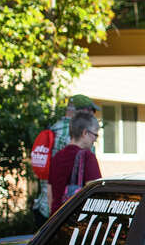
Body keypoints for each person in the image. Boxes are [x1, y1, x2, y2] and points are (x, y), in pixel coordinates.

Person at [33, 94, 98, 225]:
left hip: (49, 209)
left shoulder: (53, 129)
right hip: (72, 216)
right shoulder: (84, 149)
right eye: (91, 112)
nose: (92, 116)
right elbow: (93, 190)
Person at [49, 111, 103, 214]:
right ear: (85, 133)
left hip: (56, 220)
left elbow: (50, 196)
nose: (95, 140)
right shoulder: (88, 157)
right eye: (95, 135)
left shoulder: (56, 157)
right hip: (76, 221)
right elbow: (96, 196)